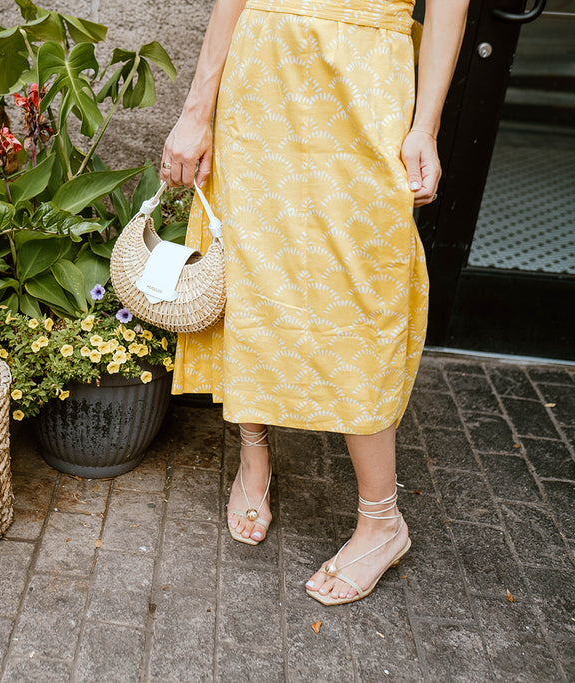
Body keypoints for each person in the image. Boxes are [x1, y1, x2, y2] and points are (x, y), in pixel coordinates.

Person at [161, 0, 469, 604]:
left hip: (366, 76)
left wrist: (425, 126)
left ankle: (383, 520)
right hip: (262, 64)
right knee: (250, 268)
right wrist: (197, 108)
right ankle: (254, 453)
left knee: (363, 292)